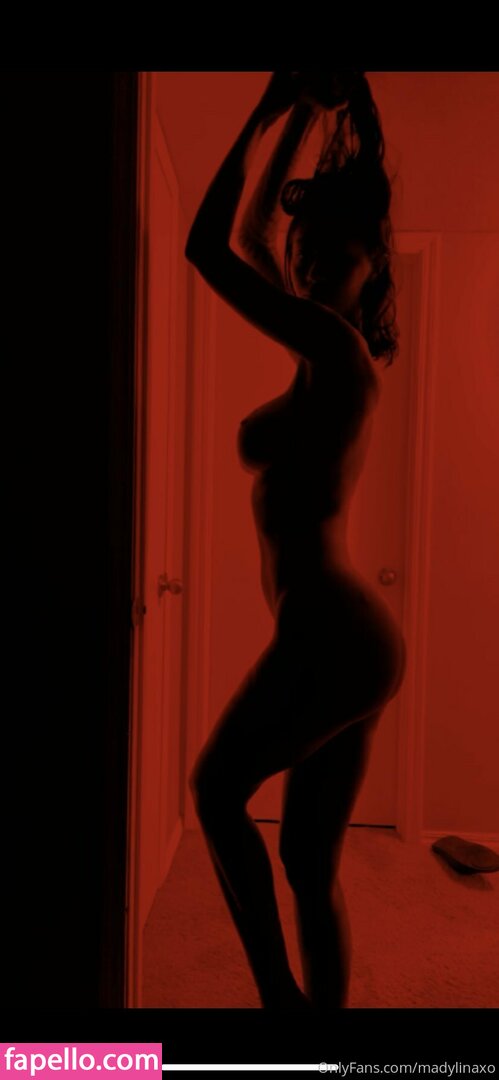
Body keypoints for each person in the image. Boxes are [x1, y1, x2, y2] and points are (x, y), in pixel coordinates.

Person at [184, 71, 407, 1010]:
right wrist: (307, 114)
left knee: (213, 792)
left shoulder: (335, 350)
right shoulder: (323, 356)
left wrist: (271, 105)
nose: (307, 261)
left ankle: (280, 1008)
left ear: (372, 260)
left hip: (332, 632)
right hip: (349, 639)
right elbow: (250, 239)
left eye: (329, 250)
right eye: (303, 248)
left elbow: (209, 246)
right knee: (308, 862)